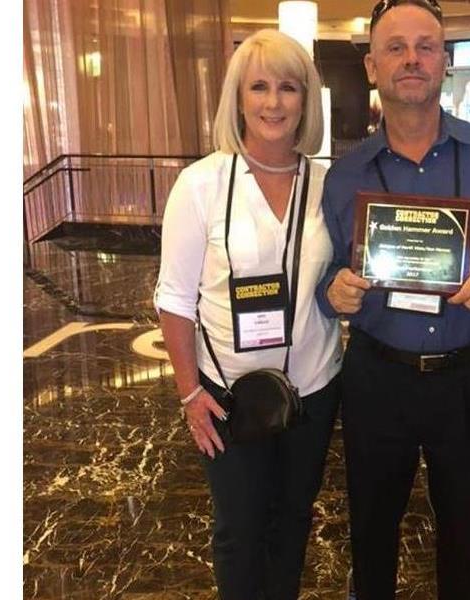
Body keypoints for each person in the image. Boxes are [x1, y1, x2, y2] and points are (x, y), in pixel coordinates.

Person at [315, 1, 470, 599]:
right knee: (370, 536)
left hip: (469, 379)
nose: (412, 59)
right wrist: (332, 289)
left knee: (467, 535)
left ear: (444, 62)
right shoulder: (344, 178)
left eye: (426, 46)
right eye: (395, 48)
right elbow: (322, 273)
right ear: (372, 66)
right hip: (377, 379)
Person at [154, 29, 342, 600]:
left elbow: (339, 277)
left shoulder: (328, 182)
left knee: (293, 523)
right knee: (238, 530)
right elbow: (174, 298)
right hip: (228, 394)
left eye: (289, 88)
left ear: (306, 100)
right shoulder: (201, 184)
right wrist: (190, 395)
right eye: (258, 86)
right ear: (237, 97)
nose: (274, 102)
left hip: (313, 384)